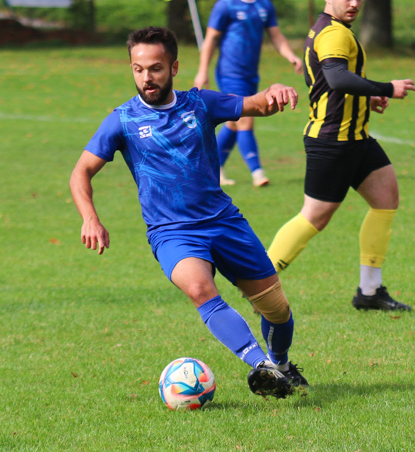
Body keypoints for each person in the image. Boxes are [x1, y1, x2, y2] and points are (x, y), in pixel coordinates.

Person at [70, 26, 308, 398]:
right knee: (199, 288)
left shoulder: (201, 104)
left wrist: (275, 91)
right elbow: (80, 172)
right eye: (138, 69)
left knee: (277, 310)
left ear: (174, 67)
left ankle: (280, 364)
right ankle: (260, 365)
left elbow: (255, 105)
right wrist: (90, 217)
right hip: (172, 232)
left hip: (224, 222)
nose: (146, 78)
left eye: (156, 68)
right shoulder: (123, 120)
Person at [266, 0, 415, 311]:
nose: (354, 4)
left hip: (355, 138)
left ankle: (369, 292)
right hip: (333, 141)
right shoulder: (334, 32)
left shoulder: (325, 27)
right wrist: (387, 87)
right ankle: (258, 280)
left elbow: (322, 82)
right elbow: (335, 78)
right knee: (314, 216)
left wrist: (369, 97)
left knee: (386, 198)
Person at [194, 0, 303, 188]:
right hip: (229, 73)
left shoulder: (264, 5)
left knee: (233, 123)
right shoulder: (226, 5)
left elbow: (275, 35)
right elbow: (211, 39)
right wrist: (202, 71)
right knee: (245, 120)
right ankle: (258, 173)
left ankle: (213, 170)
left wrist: (290, 56)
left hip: (250, 74)